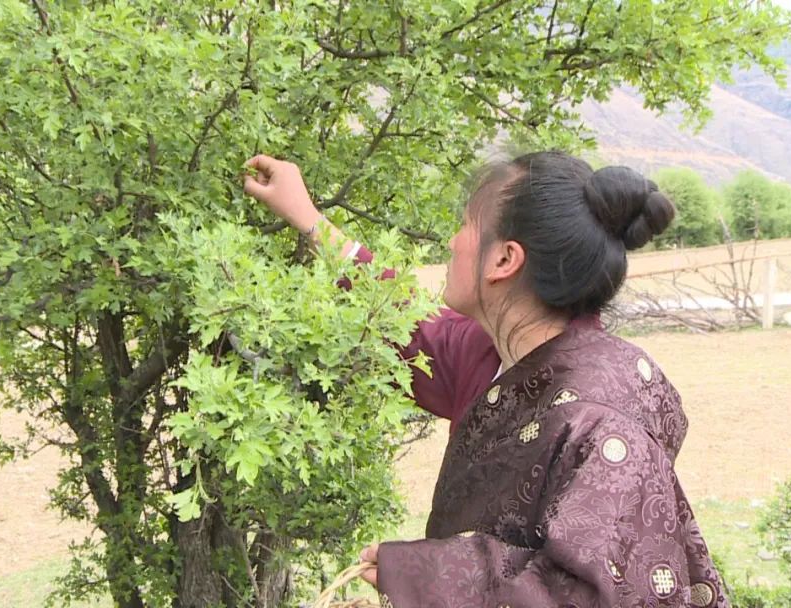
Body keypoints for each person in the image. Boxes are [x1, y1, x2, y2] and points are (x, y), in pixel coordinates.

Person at [243, 151, 728, 608]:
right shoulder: (492, 356)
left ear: (503, 261)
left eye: (467, 225)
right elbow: (403, 321)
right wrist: (306, 215)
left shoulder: (604, 426)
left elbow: (595, 596)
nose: (454, 241)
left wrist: (424, 572)